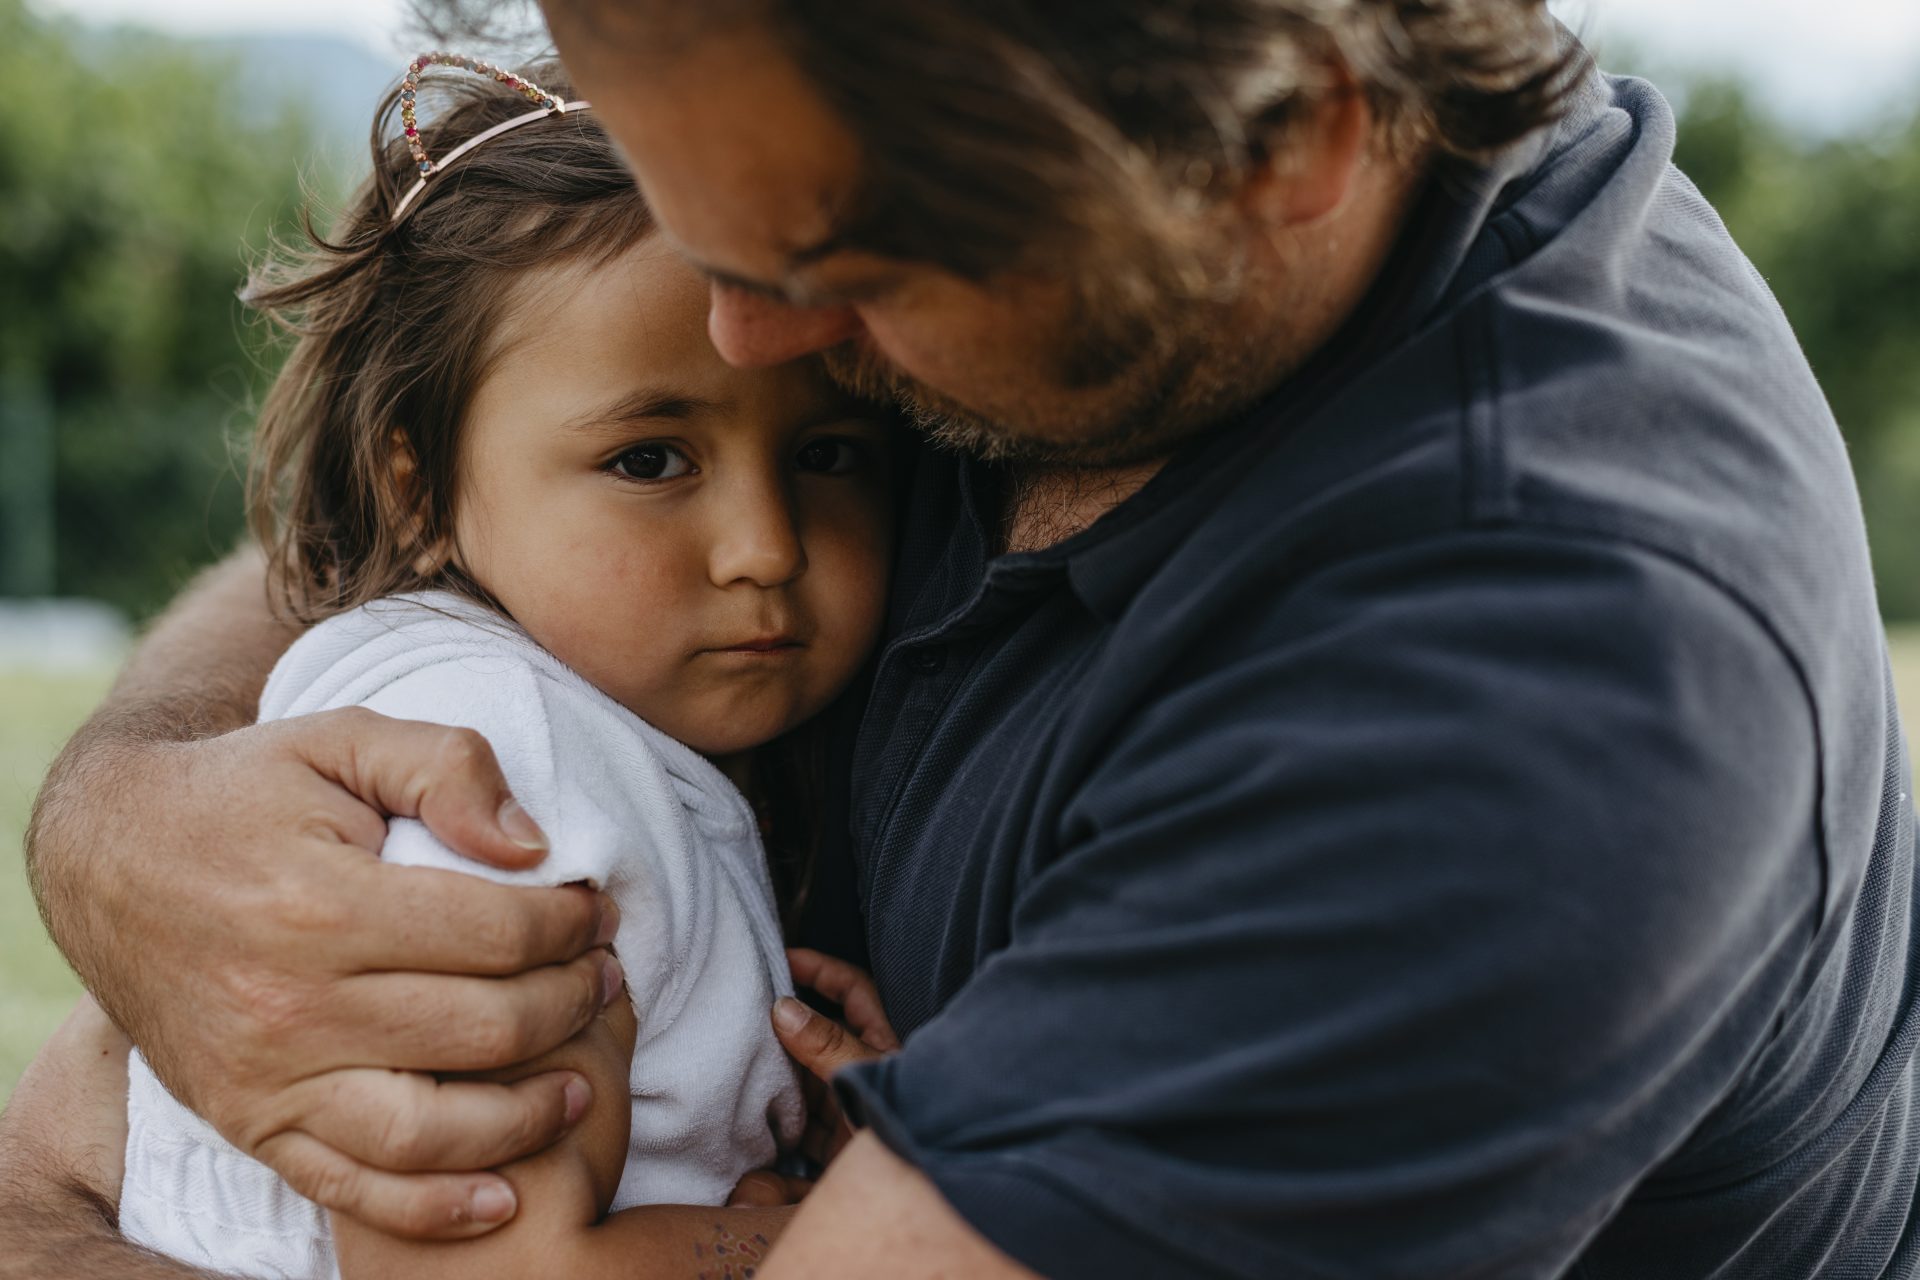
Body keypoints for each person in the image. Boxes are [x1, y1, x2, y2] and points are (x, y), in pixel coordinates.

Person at [5, 2, 1916, 1278]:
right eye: (703, 231)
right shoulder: (1039, 233)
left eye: (834, 270)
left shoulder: (1526, 701)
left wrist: (61, 1216)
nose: (749, 337)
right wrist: (130, 810)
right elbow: (484, 492)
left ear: (1287, 144)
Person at [97, 54, 901, 1280]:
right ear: (415, 490)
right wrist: (839, 1228)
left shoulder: (586, 723)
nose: (766, 547)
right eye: (649, 460)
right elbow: (486, 1265)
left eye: (832, 451)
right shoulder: (496, 752)